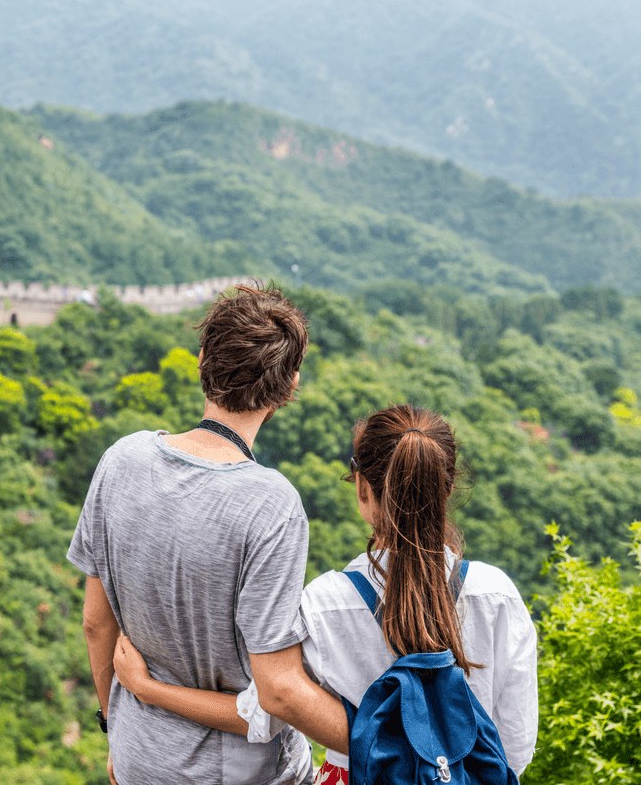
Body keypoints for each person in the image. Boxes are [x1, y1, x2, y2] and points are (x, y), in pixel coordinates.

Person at [112, 405, 538, 783]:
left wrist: (147, 689)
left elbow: (261, 712)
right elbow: (514, 750)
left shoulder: (328, 605)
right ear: (446, 491)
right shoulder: (496, 595)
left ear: (361, 489)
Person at [67, 285, 346, 785]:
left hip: (136, 759)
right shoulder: (271, 505)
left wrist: (117, 727)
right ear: (288, 388)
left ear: (202, 361)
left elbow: (95, 624)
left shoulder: (121, 461)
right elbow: (276, 696)